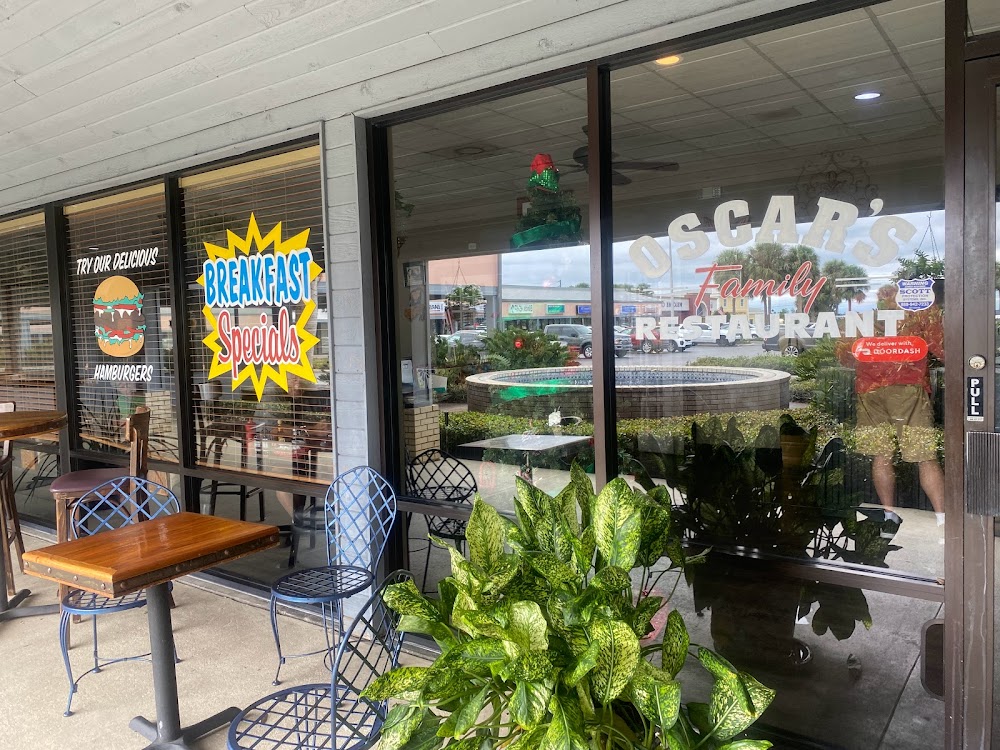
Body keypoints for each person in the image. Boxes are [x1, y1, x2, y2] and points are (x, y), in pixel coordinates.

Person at [838, 279, 945, 541]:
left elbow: (844, 356)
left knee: (882, 455)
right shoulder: (917, 312)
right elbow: (942, 347)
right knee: (924, 456)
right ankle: (943, 519)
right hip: (908, 388)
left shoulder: (862, 317)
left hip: (869, 389)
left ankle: (889, 514)